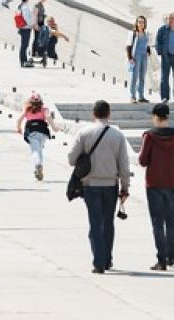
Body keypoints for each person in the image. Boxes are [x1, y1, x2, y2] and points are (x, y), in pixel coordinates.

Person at [68, 100, 131, 274]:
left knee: (95, 223)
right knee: (108, 223)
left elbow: (71, 158)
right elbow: (124, 166)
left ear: (93, 114)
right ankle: (108, 258)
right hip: (110, 184)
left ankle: (98, 262)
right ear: (109, 114)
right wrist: (125, 188)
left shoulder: (84, 133)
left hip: (90, 184)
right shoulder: (118, 136)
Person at [138, 103, 174, 271]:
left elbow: (143, 160)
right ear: (168, 117)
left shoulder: (149, 136)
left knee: (157, 221)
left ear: (154, 117)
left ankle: (161, 259)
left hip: (154, 183)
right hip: (172, 182)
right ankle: (171, 254)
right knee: (171, 219)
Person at [16, 92, 53, 181]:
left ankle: (38, 165)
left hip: (32, 132)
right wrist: (54, 127)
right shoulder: (45, 109)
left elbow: (19, 119)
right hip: (43, 132)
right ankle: (39, 168)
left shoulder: (27, 110)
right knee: (39, 149)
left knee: (35, 151)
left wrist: (18, 128)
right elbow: (49, 118)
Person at [126, 16, 151, 103]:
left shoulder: (146, 33)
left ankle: (141, 96)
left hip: (144, 57)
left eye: (143, 22)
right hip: (136, 56)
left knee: (142, 77)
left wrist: (148, 52)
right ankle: (132, 96)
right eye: (139, 22)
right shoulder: (132, 34)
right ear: (136, 23)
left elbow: (148, 45)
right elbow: (128, 47)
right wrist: (130, 58)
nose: (141, 24)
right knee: (134, 77)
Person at [15, 0, 33, 67]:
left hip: (22, 27)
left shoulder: (20, 6)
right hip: (25, 28)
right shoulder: (25, 7)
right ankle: (23, 61)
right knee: (24, 45)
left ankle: (23, 61)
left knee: (24, 45)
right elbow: (26, 18)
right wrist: (31, 24)